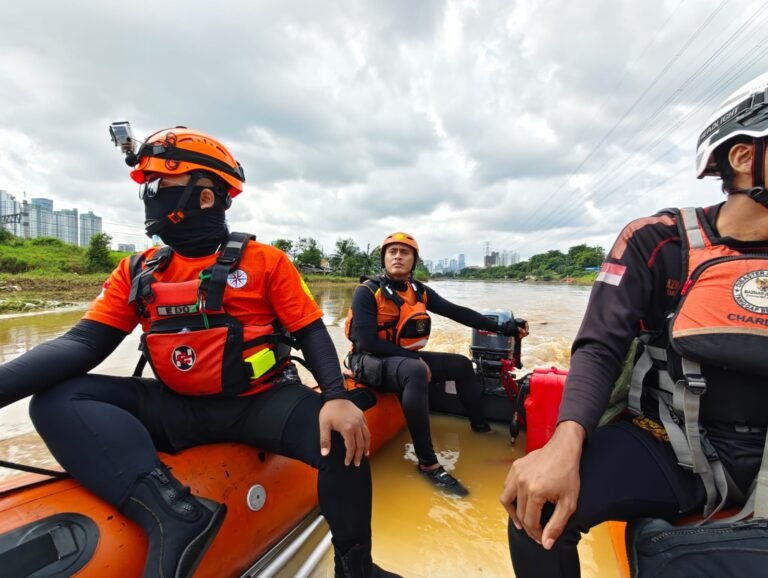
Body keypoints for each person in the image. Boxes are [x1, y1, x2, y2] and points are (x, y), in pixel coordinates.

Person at [0, 126, 400, 578]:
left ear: (205, 197)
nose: (150, 197)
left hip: (260, 404)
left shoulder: (266, 261)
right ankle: (171, 514)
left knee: (343, 441)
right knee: (57, 399)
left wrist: (335, 396)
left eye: (160, 186)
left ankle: (355, 567)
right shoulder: (138, 270)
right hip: (177, 408)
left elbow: (309, 329)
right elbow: (82, 345)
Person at [500, 73, 768, 577]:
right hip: (671, 442)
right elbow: (600, 346)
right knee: (534, 508)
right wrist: (564, 441)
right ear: (742, 156)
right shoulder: (658, 242)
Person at [345, 232, 528, 495]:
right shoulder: (367, 292)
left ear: (414, 260)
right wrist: (413, 358)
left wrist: (504, 328)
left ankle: (480, 427)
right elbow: (368, 342)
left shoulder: (418, 290)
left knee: (461, 365)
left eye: (405, 252)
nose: (398, 257)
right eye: (392, 252)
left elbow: (456, 312)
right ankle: (428, 464)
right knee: (416, 369)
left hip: (399, 360)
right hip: (367, 360)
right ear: (383, 258)